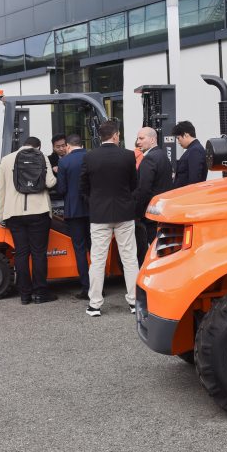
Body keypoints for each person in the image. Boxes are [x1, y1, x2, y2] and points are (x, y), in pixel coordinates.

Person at [80, 120, 139, 317]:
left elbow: (84, 187)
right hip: (124, 212)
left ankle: (95, 305)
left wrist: (94, 202)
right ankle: (134, 302)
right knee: (130, 258)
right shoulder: (128, 156)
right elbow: (134, 184)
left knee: (97, 259)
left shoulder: (90, 157)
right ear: (115, 135)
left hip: (99, 214)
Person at [0, 136, 58, 304]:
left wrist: (0, 215)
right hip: (39, 211)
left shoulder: (6, 160)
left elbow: (0, 190)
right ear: (38, 146)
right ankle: (40, 293)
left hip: (14, 214)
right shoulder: (41, 156)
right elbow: (50, 183)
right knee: (39, 253)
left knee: (21, 253)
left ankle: (25, 295)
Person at [54, 134, 90, 300]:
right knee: (96, 249)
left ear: (68, 146)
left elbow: (61, 189)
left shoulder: (64, 162)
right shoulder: (91, 157)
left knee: (80, 249)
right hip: (93, 209)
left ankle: (86, 287)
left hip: (74, 210)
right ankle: (99, 286)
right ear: (81, 144)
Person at [134, 126, 172, 264]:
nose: (138, 142)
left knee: (156, 249)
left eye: (141, 138)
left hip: (152, 214)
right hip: (162, 211)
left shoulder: (149, 159)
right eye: (138, 138)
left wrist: (137, 213)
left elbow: (143, 190)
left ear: (152, 139)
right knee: (163, 248)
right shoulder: (162, 155)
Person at [171, 121, 207, 189]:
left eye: (178, 138)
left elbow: (194, 179)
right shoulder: (193, 149)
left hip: (187, 195)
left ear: (185, 135)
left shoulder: (195, 151)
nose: (178, 142)